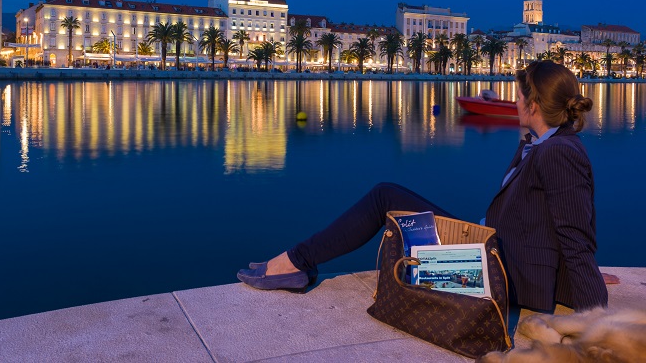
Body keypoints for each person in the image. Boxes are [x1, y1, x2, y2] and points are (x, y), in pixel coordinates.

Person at [238, 60, 608, 312]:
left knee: (385, 196)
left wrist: (595, 316)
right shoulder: (541, 141)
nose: (514, 102)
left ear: (535, 103)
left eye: (519, 95)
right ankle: (297, 261)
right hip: (491, 248)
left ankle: (295, 263)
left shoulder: (558, 152)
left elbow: (576, 238)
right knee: (388, 196)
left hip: (505, 273)